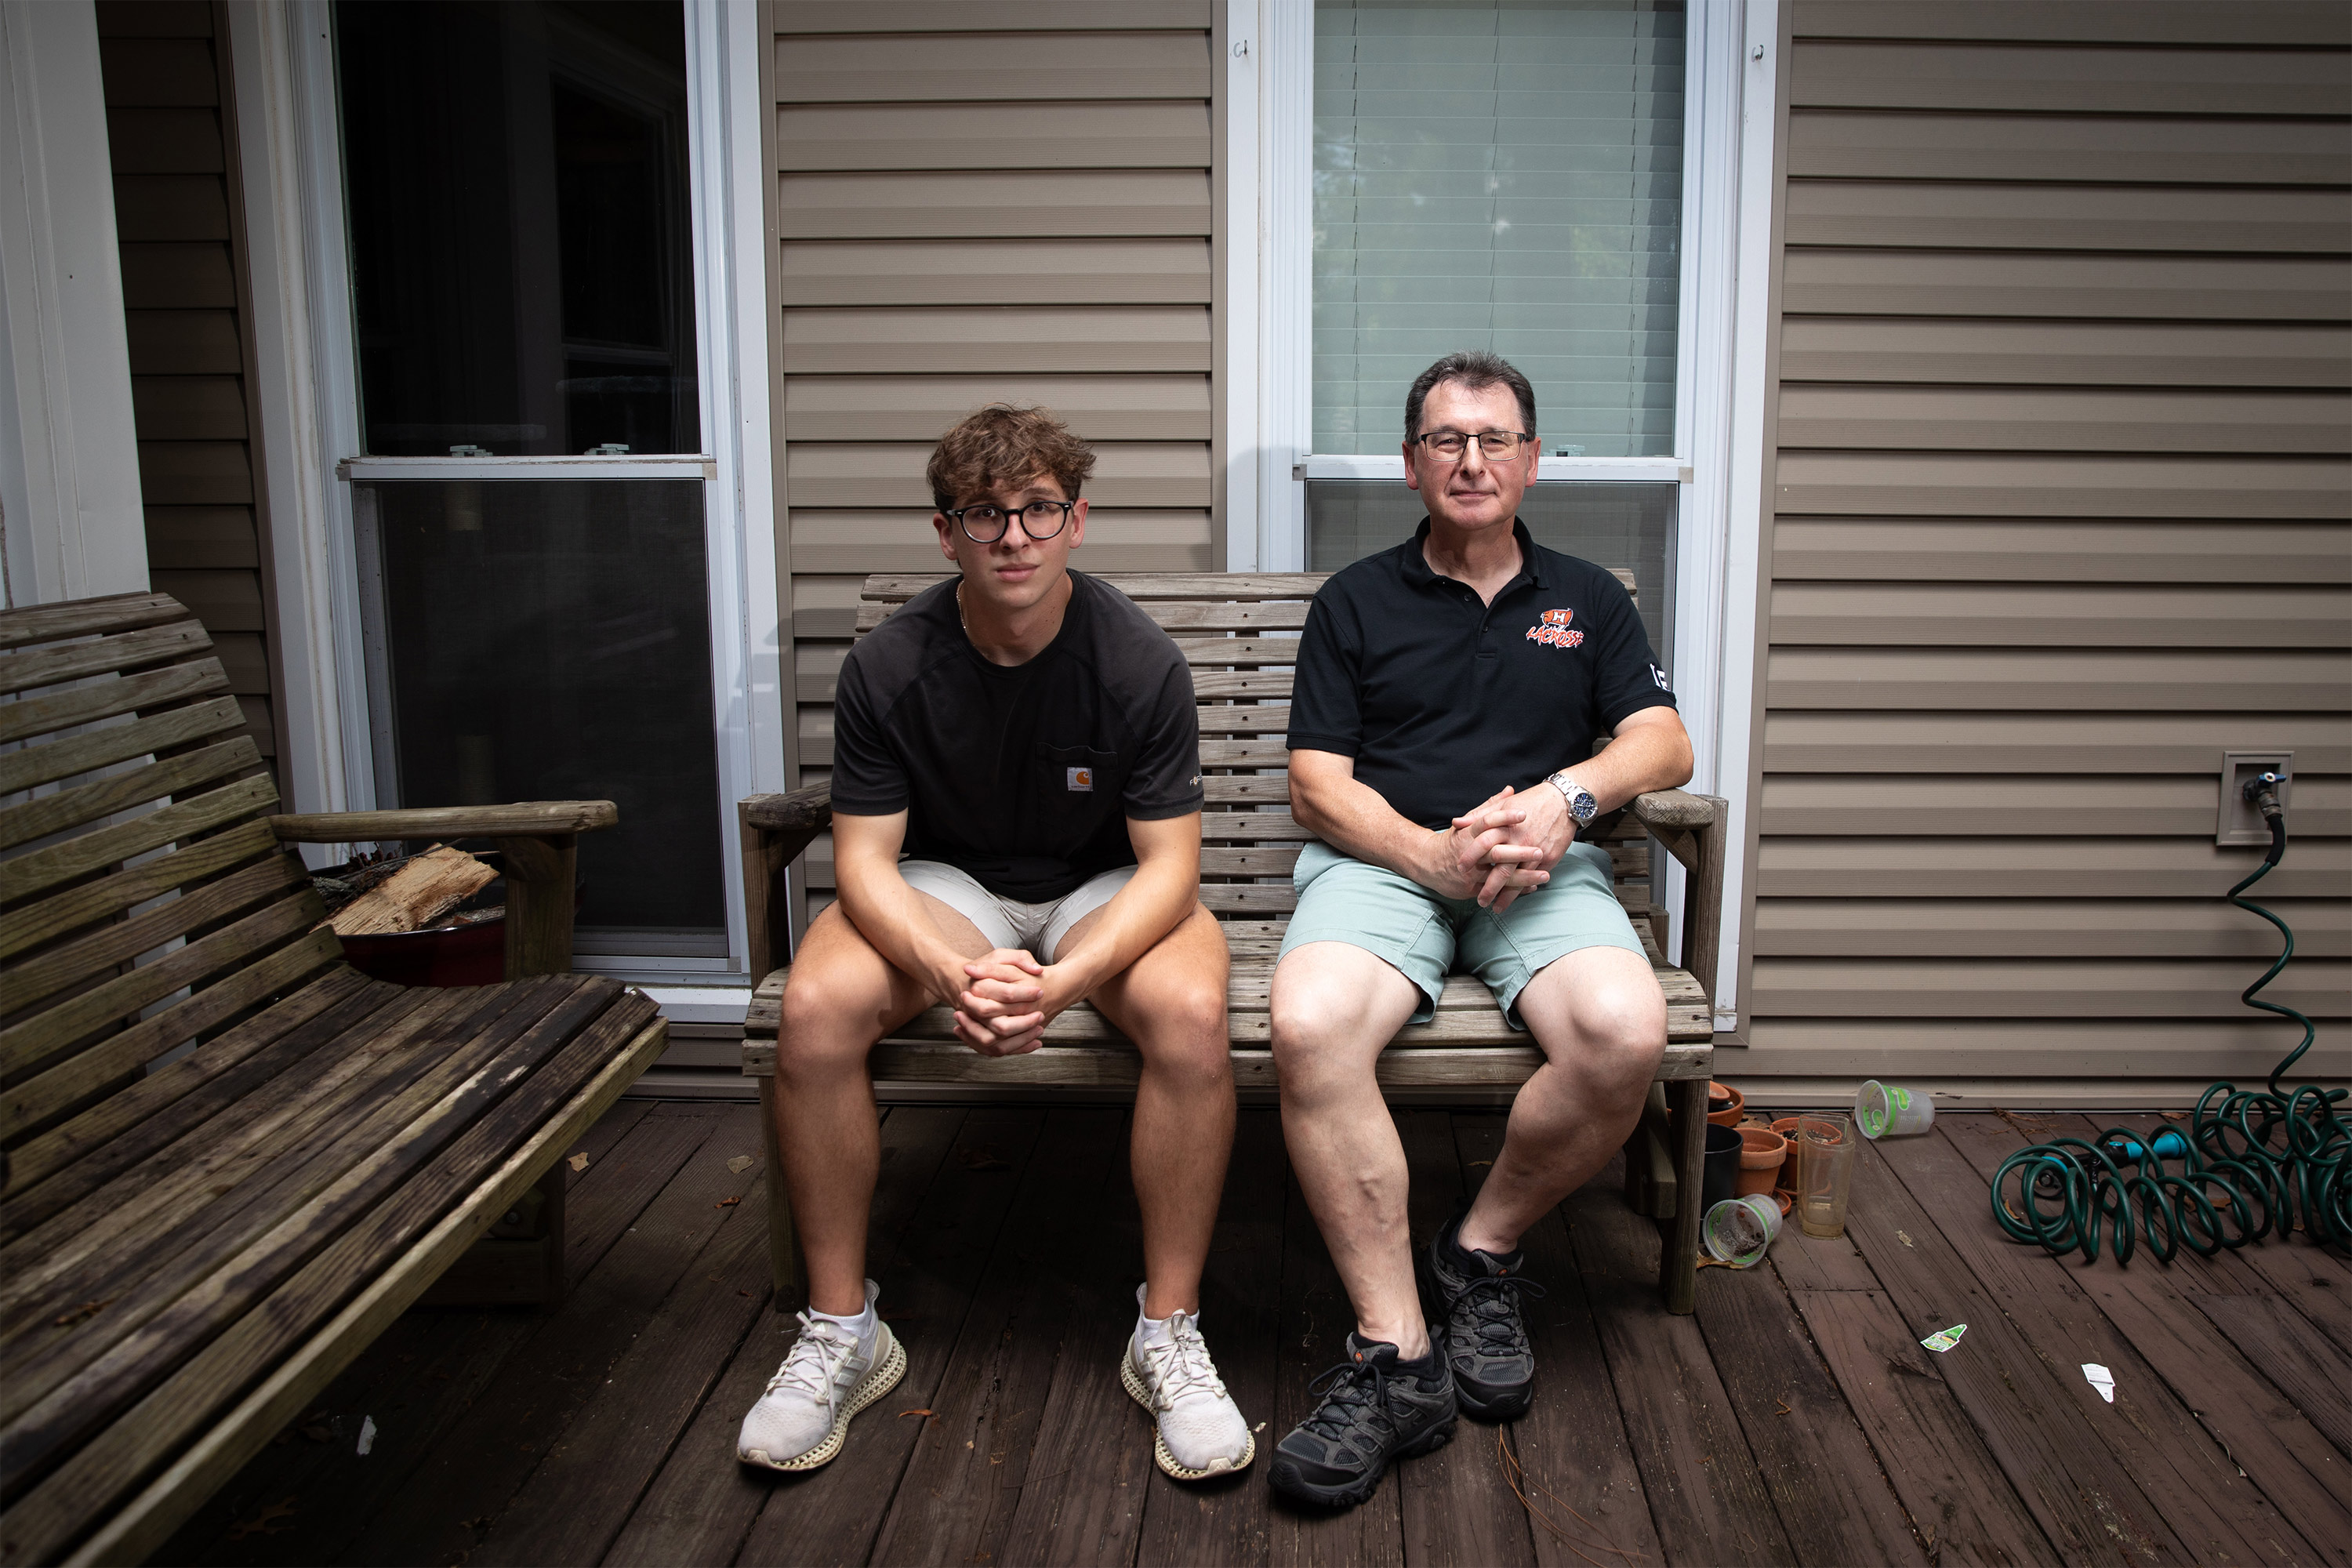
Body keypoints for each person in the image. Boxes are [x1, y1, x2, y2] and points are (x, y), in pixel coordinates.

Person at [735, 405, 1253, 1482]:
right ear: (946, 533)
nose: (1013, 537)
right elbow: (868, 862)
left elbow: (1169, 868)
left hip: (1101, 888)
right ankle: (842, 1329)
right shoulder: (890, 664)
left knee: (1197, 1016)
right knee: (815, 1006)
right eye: (985, 516)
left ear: (1076, 522)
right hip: (947, 889)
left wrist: (1063, 983)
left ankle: (1168, 1329)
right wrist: (946, 970)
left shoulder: (1136, 660)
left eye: (1038, 511)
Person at [1265, 352, 1693, 1508]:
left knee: (1622, 1031)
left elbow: (1663, 743)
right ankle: (1396, 1350)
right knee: (1307, 1027)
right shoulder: (1355, 600)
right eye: (1447, 440)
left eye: (1495, 438)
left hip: (1542, 871)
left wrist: (1564, 803)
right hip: (1387, 868)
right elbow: (1316, 784)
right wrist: (1426, 854)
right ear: (1413, 463)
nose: (1472, 460)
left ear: (1532, 459)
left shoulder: (1589, 599)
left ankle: (1482, 1250)